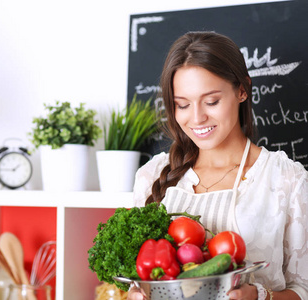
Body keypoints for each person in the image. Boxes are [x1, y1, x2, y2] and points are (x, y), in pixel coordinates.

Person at [128, 31, 307, 300]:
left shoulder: (287, 179)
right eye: (183, 105)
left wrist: (261, 297)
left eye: (211, 101)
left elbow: (303, 290)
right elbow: (135, 280)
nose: (197, 118)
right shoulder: (152, 176)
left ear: (242, 90)